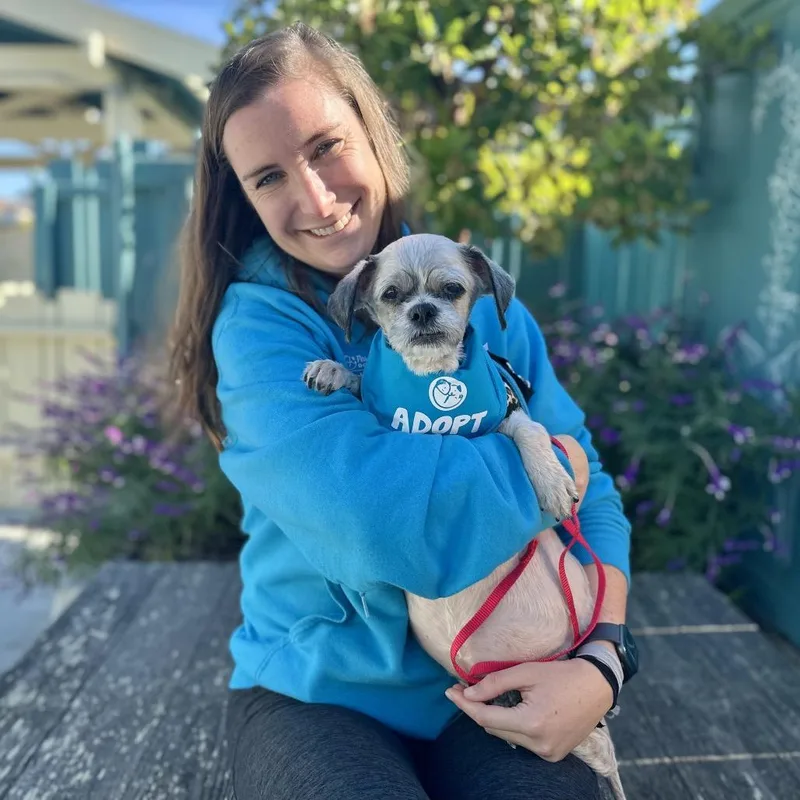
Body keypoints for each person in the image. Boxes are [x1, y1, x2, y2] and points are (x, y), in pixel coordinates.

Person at [169, 22, 632, 800]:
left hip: (502, 664)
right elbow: (377, 526)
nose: (316, 198)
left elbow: (598, 502)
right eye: (269, 177)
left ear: (374, 135)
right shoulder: (258, 330)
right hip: (319, 691)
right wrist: (555, 465)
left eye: (326, 147)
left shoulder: (475, 291)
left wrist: (604, 661)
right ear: (244, 198)